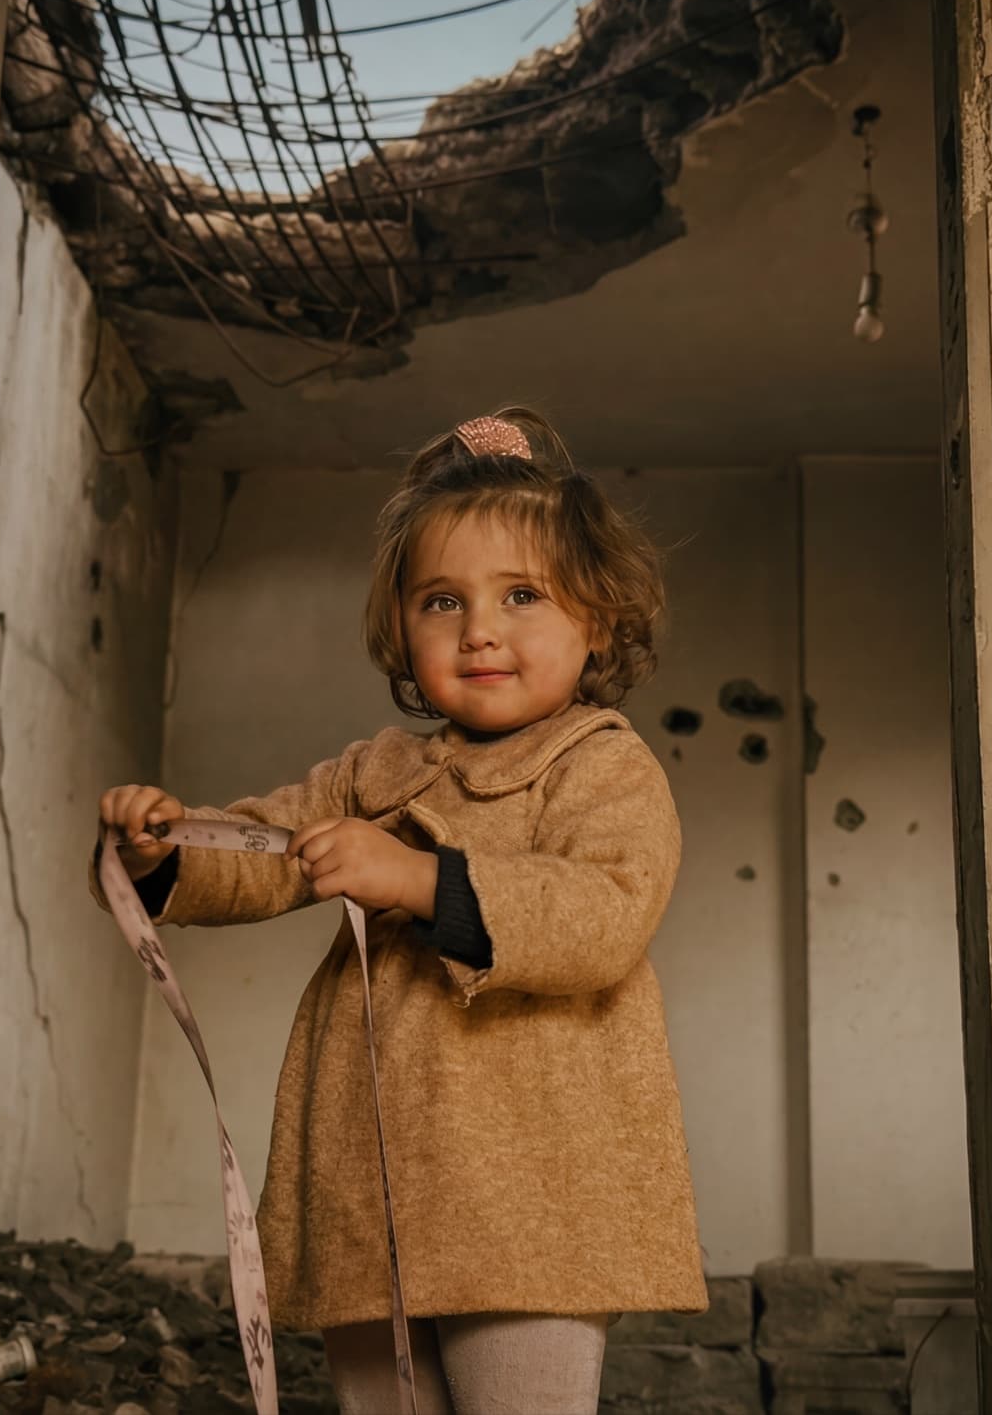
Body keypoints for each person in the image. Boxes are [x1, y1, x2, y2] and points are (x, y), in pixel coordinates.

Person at [93, 408, 705, 1414]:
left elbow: (603, 915)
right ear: (400, 626)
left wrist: (421, 879)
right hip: (367, 1187)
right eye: (440, 601)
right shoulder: (375, 771)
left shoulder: (600, 764)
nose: (479, 629)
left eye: (521, 595)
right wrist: (167, 846)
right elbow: (266, 851)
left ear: (595, 620)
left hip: (535, 1200)